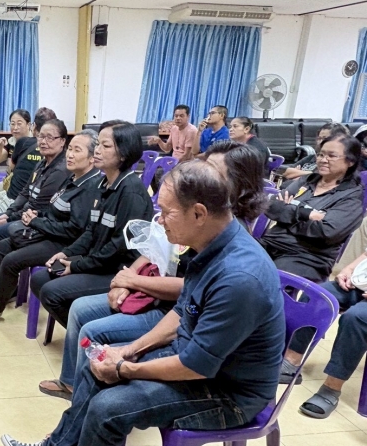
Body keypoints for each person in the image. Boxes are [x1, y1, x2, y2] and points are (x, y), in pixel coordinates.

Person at [0, 161, 285, 446]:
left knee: (110, 406)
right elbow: (182, 313)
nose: (159, 221)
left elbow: (196, 365)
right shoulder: (210, 246)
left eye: (166, 213)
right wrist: (127, 352)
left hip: (229, 393)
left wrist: (125, 369)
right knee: (98, 362)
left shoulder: (239, 277)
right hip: (199, 362)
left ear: (199, 213)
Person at [39, 141, 269, 400]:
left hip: (172, 310)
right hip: (162, 297)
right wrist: (124, 281)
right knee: (80, 310)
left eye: (213, 172)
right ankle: (74, 387)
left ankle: (89, 396)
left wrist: (134, 283)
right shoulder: (191, 215)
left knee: (95, 341)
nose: (203, 176)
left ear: (240, 184)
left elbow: (190, 292)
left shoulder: (221, 232)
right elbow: (155, 248)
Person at [0, 130, 102, 326]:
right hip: (51, 232)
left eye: (77, 150)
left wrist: (36, 222)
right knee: (3, 246)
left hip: (66, 244)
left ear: (92, 158)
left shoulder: (90, 187)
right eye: (70, 149)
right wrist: (35, 215)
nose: (70, 155)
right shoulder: (72, 178)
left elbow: (74, 230)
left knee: (11, 259)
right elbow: (50, 207)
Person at [29, 120, 154, 327]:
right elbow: (90, 231)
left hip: (116, 270)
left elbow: (117, 248)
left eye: (105, 146)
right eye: (98, 144)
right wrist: (66, 253)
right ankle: (84, 329)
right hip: (98, 261)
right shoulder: (104, 184)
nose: (97, 150)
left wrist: (77, 266)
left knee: (52, 292)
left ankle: (89, 335)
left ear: (123, 154)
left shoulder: (130, 192)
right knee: (39, 279)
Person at [279, 235, 367, 418]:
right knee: (317, 296)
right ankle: (291, 361)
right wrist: (349, 269)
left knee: (358, 318)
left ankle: (331, 389)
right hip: (365, 282)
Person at [258, 134, 364, 282]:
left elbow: (326, 232)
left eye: (331, 156)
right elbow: (271, 206)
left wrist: (287, 216)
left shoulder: (351, 196)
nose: (323, 160)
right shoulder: (307, 180)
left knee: (266, 279)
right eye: (321, 154)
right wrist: (305, 213)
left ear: (350, 161)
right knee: (235, 258)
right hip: (271, 243)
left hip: (307, 257)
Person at [0, 119, 70, 269]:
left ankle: (2, 273)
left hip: (39, 220)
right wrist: (8, 213)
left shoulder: (60, 171)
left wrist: (11, 218)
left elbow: (38, 206)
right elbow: (25, 192)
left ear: (62, 141)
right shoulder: (42, 163)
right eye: (41, 136)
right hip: (26, 213)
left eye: (50, 138)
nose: (43, 142)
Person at [0, 109, 42, 216]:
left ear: (29, 125)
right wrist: (0, 146)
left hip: (23, 185)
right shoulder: (12, 141)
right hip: (10, 181)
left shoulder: (35, 144)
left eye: (19, 124)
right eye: (12, 124)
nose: (15, 127)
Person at [276, 122, 349, 183]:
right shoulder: (312, 157)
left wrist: (299, 173)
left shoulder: (336, 161)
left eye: (325, 138)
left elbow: (322, 177)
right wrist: (308, 174)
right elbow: (286, 171)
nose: (320, 142)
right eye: (319, 138)